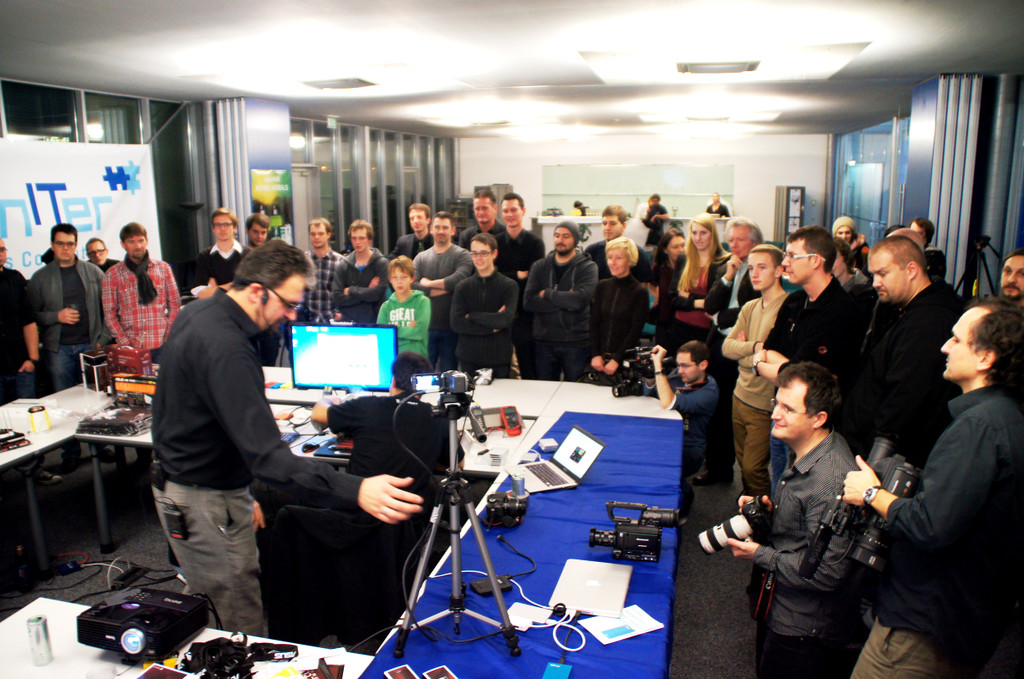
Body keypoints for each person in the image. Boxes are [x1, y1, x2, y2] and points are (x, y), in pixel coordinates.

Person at [151, 239, 426, 636]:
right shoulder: (227, 348)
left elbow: (201, 419)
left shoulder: (200, 312)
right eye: (289, 304)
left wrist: (239, 491)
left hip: (202, 486)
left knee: (216, 598)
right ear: (257, 291)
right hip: (202, 498)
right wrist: (356, 489)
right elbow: (269, 458)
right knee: (235, 618)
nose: (292, 316)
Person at [842, 300, 1024, 677]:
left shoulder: (978, 427)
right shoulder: (1008, 417)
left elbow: (931, 525)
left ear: (985, 357)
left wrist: (872, 493)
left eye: (956, 340)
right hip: (967, 617)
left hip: (923, 625)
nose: (944, 347)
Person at [726, 362, 860, 679]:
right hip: (782, 605)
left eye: (788, 408)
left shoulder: (829, 480)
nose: (775, 414)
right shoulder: (807, 447)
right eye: (777, 403)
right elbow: (806, 529)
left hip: (802, 629)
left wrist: (759, 555)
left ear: (818, 418)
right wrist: (769, 514)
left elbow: (827, 573)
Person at [754, 225, 862, 492]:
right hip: (782, 416)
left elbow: (802, 377)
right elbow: (767, 349)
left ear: (816, 261)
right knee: (779, 487)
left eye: (792, 255)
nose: (785, 262)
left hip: (812, 429)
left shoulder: (840, 312)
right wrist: (771, 362)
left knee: (802, 494)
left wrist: (762, 364)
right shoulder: (795, 301)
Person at [841, 235, 963, 467]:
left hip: (888, 458)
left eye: (883, 274)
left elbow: (906, 398)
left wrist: (875, 458)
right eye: (873, 275)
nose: (875, 283)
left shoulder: (928, 323)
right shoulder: (901, 311)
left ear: (911, 270)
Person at [698, 217, 763, 486]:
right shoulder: (727, 266)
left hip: (746, 348)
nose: (733, 245)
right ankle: (718, 467)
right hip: (719, 344)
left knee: (741, 413)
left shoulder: (761, 268)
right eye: (731, 240)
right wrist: (727, 277)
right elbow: (710, 305)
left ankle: (750, 480)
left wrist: (720, 317)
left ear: (755, 242)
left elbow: (752, 307)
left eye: (740, 240)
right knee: (717, 407)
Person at [722, 244, 789, 497]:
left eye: (762, 267)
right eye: (751, 268)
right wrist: (755, 346)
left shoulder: (786, 308)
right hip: (740, 395)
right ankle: (750, 508)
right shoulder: (750, 306)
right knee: (743, 464)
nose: (755, 274)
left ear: (779, 271)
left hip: (764, 403)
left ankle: (762, 513)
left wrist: (745, 356)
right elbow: (727, 348)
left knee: (753, 469)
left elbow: (773, 359)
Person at [28, 223, 109, 393]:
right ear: (52, 245)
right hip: (58, 350)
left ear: (76, 245)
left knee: (97, 396)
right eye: (60, 243)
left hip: (91, 346)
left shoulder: (94, 272)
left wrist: (103, 339)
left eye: (70, 244)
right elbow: (30, 317)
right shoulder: (40, 278)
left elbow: (110, 309)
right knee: (64, 399)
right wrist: (56, 316)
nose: (65, 248)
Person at [644, 341, 718, 515]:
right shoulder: (679, 375)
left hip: (689, 450)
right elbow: (651, 394)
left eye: (685, 366)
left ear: (703, 365)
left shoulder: (709, 392)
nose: (680, 370)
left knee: (657, 471)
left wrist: (658, 369)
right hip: (667, 438)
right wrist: (650, 374)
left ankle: (684, 493)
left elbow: (669, 403)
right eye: (678, 365)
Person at [524, 220, 598, 382]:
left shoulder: (588, 267)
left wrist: (547, 293)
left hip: (575, 342)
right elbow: (529, 302)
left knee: (576, 390)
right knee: (545, 391)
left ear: (575, 240)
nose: (560, 240)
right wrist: (565, 301)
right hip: (544, 342)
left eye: (566, 236)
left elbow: (579, 300)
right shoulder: (539, 266)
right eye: (557, 235)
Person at [101, 222, 180, 364]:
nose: (137, 246)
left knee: (165, 379)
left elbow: (175, 303)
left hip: (161, 345)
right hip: (130, 348)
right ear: (123, 245)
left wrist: (168, 334)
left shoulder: (163, 268)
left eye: (140, 240)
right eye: (131, 242)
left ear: (147, 241)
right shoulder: (112, 274)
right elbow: (109, 313)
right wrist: (125, 343)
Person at [451, 233, 518, 378]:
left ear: (494, 254)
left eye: (483, 253)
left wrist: (472, 316)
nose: (478, 258)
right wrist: (492, 326)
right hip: (469, 357)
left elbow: (505, 320)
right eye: (474, 253)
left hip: (498, 358)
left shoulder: (509, 286)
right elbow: (457, 324)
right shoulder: (462, 287)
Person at [413, 211, 474, 371]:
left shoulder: (463, 255)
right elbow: (413, 286)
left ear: (453, 230)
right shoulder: (420, 258)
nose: (441, 231)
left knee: (449, 376)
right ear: (431, 229)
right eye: (437, 227)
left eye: (445, 227)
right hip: (425, 327)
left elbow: (459, 280)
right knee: (424, 376)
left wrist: (428, 284)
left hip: (452, 328)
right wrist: (448, 289)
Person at [495, 192, 545, 379]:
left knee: (528, 366)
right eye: (505, 211)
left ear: (523, 211)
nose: (509, 214)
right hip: (501, 309)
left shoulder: (535, 243)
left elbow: (534, 279)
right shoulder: (496, 242)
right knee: (500, 368)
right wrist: (517, 275)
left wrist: (505, 276)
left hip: (526, 313)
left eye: (514, 210)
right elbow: (493, 277)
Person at [587, 237, 649, 382]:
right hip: (599, 360)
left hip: (624, 360)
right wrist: (596, 354)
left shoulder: (639, 291)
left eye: (618, 258)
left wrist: (617, 359)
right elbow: (594, 322)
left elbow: (635, 331)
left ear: (629, 261)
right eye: (610, 257)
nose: (612, 262)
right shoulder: (602, 286)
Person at [666, 213, 728, 354]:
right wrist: (700, 302)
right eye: (694, 233)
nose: (698, 238)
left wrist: (689, 297)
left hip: (706, 330)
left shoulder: (723, 261)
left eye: (703, 233)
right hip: (679, 326)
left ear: (712, 234)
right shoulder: (684, 258)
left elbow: (715, 303)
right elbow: (673, 297)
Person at [0, 237, 40, 404]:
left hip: (21, 366)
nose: (0, 254)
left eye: (2, 249)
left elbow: (28, 321)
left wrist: (33, 359)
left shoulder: (15, 278)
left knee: (27, 415)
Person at [332, 220, 389, 324]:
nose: (357, 242)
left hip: (375, 322)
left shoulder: (381, 263)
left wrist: (351, 290)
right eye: (354, 238)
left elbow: (377, 294)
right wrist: (368, 290)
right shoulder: (343, 265)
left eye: (361, 238)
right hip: (350, 321)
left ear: (369, 239)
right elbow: (337, 298)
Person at [584, 205, 653, 282]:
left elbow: (643, 284)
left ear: (624, 225)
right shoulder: (592, 251)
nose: (607, 227)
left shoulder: (637, 253)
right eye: (604, 223)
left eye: (613, 223)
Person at [377, 256, 430, 356]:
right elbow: (383, 336)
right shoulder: (385, 307)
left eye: (404, 277)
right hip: (393, 359)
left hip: (416, 359)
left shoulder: (422, 301)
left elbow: (420, 333)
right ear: (390, 280)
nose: (399, 281)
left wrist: (394, 331)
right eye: (395, 277)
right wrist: (409, 330)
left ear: (412, 278)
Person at [193, 208, 243, 299]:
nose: (222, 228)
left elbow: (251, 289)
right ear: (213, 229)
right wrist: (233, 285)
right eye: (218, 225)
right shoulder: (204, 257)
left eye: (226, 224)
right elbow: (201, 294)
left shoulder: (248, 254)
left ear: (235, 228)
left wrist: (215, 289)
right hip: (215, 307)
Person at [650, 228, 686, 349]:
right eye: (675, 247)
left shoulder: (690, 267)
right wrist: (657, 296)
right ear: (666, 250)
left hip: (684, 322)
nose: (681, 250)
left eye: (683, 245)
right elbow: (651, 283)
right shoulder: (660, 267)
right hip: (665, 321)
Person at [832, 236, 877, 331]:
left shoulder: (865, 291)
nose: (829, 264)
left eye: (834, 259)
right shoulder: (826, 289)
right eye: (826, 260)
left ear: (846, 259)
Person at [304, 217, 343, 324]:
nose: (316, 237)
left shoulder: (340, 261)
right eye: (313, 234)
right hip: (308, 320)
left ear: (328, 235)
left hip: (333, 320)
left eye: (321, 234)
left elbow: (345, 292)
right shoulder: (303, 261)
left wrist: (340, 312)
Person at [909, 216, 947, 281]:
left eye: (919, 233)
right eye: (911, 232)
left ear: (926, 236)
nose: (913, 235)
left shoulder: (934, 255)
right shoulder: (904, 251)